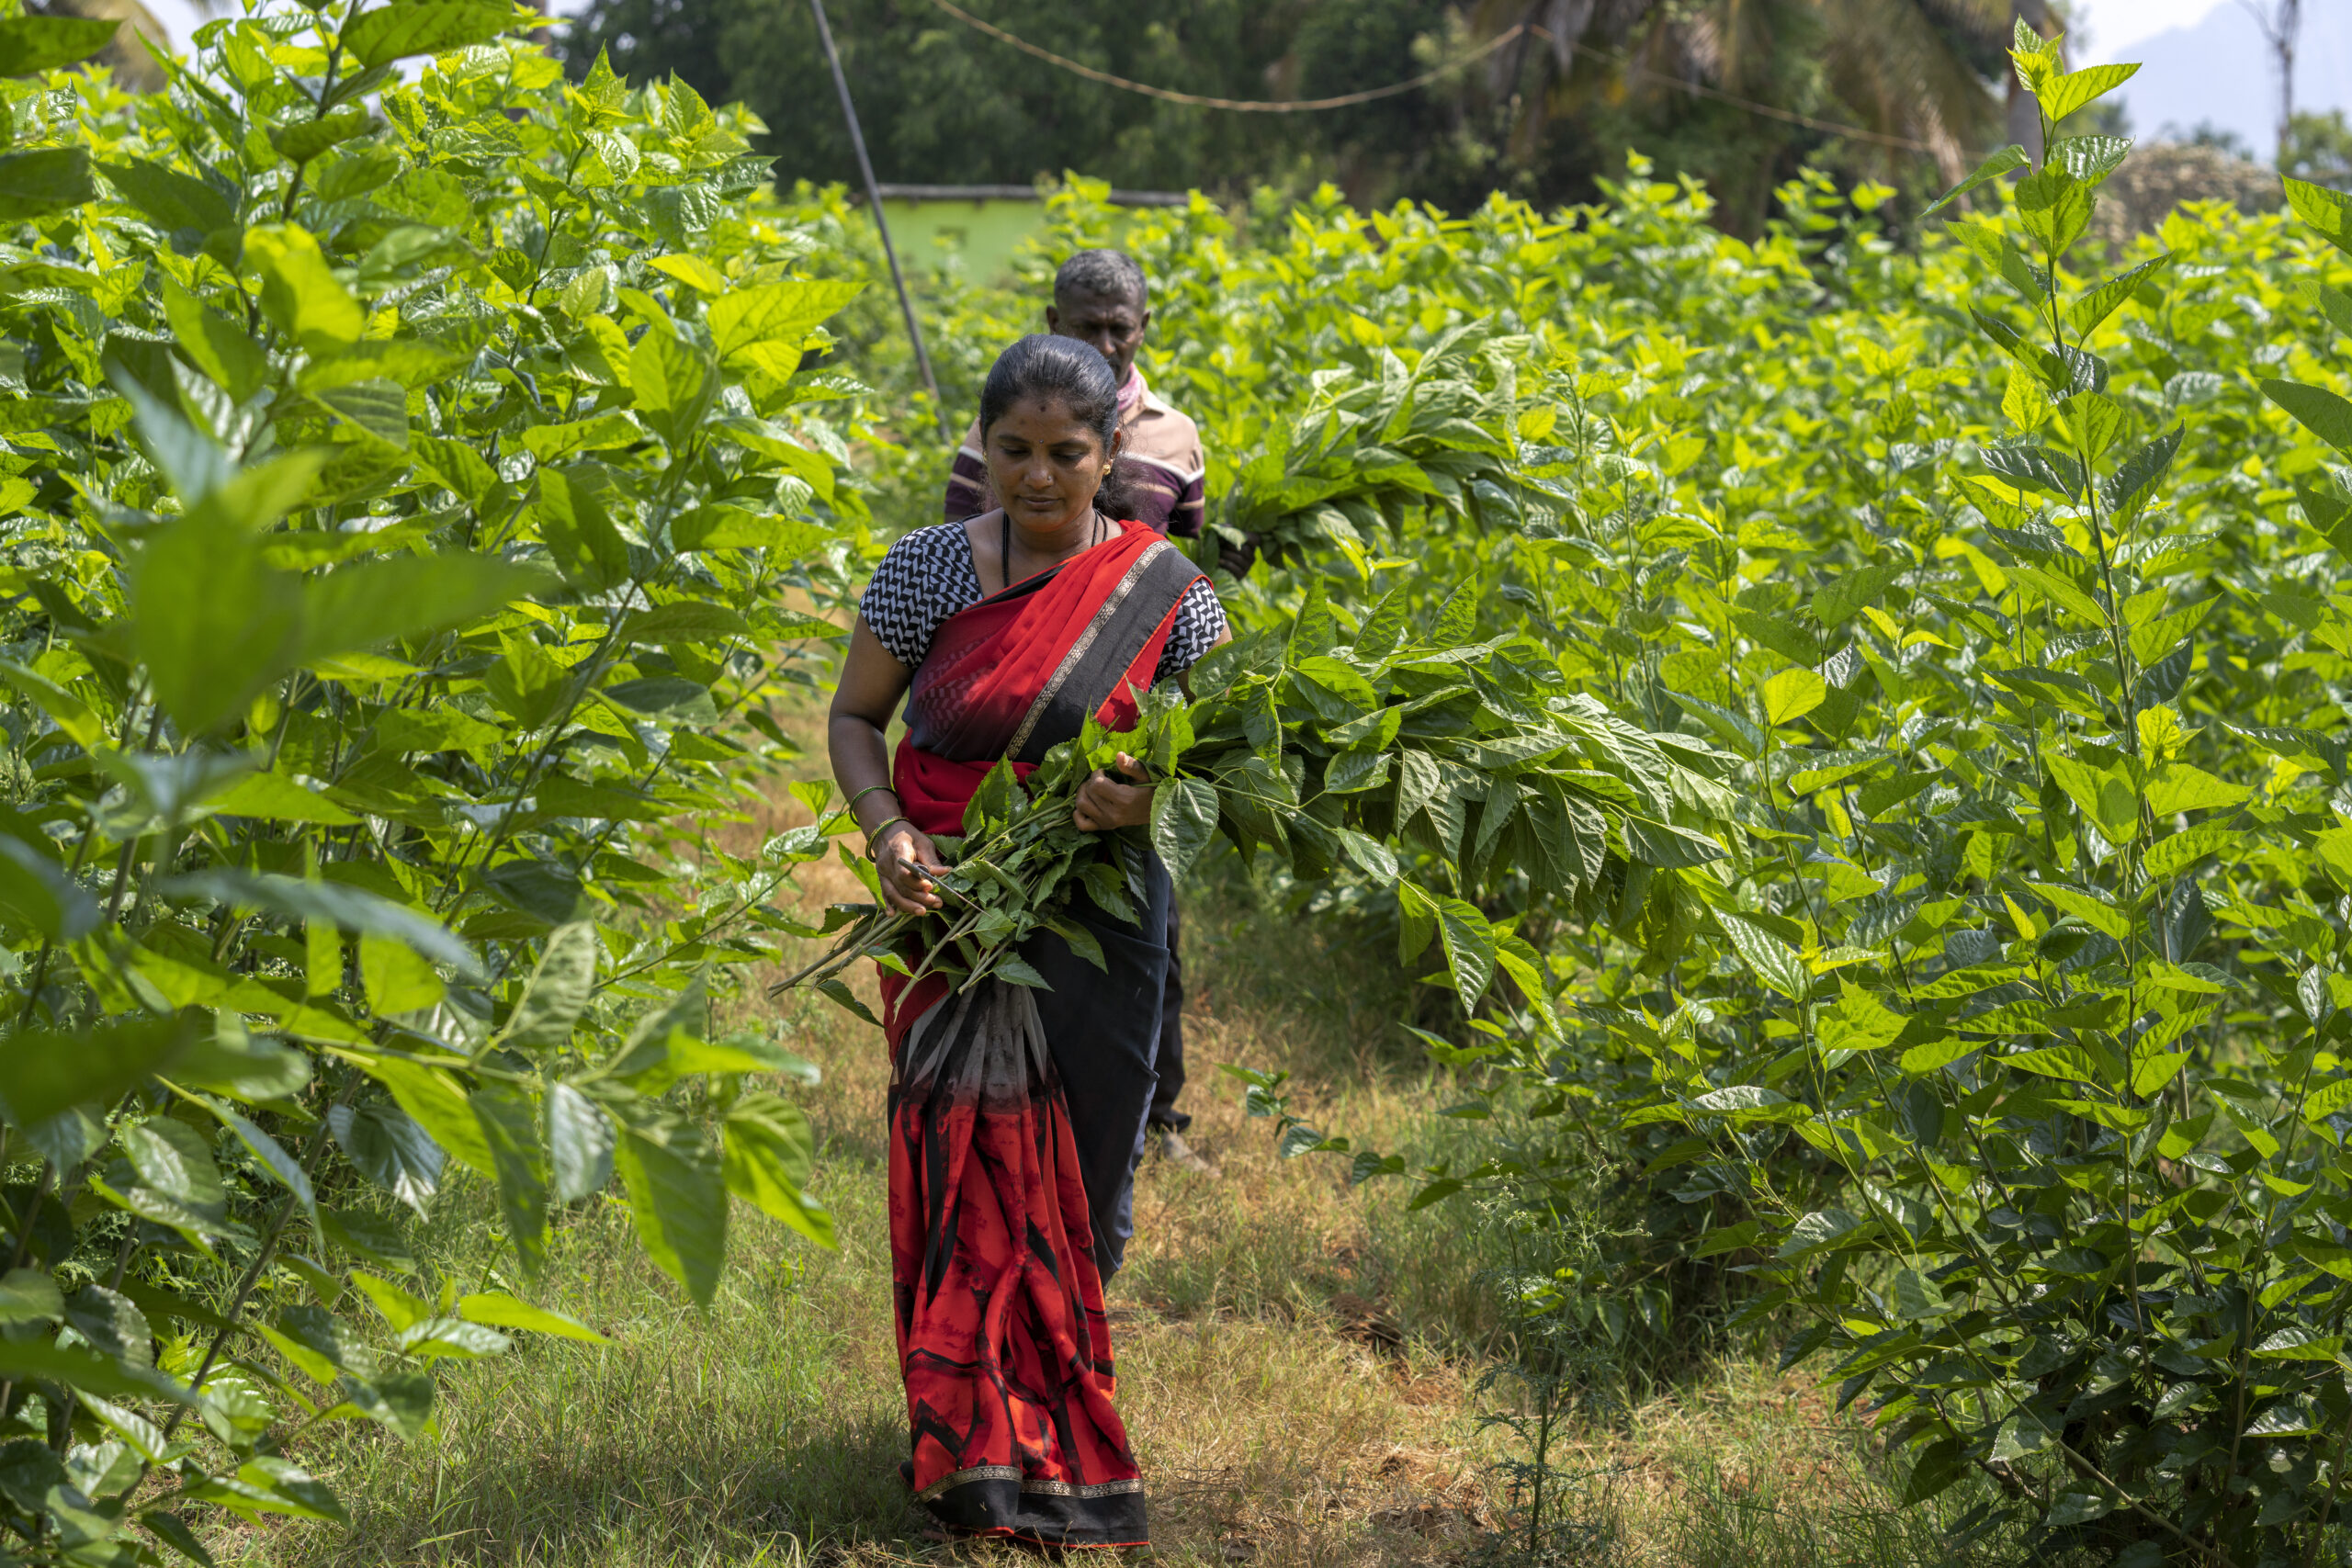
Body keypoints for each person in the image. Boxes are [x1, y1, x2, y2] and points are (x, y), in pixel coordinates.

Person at [831, 333, 1230, 1550]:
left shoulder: (1170, 592)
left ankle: (1050, 1404)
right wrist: (890, 826)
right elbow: (856, 716)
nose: (1040, 476)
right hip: (952, 911)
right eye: (1015, 450)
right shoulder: (927, 571)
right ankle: (972, 1442)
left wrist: (1150, 797)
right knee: (965, 1160)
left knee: (1093, 1162)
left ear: (1114, 453)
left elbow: (1219, 755)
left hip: (1101, 918)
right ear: (983, 448)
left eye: (1069, 452)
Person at [943, 248, 1223, 1178]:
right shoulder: (1004, 427)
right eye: (1085, 323)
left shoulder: (1175, 438)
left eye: (1120, 326)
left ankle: (1149, 1117)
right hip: (1012, 747)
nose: (1039, 474)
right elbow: (958, 585)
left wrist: (1160, 777)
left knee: (1142, 941)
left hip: (1120, 749)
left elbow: (1185, 579)